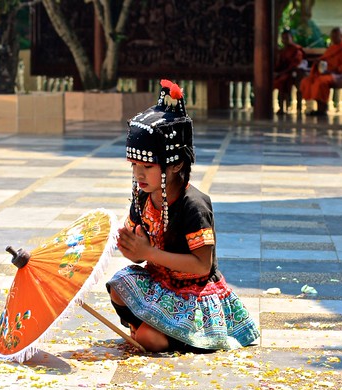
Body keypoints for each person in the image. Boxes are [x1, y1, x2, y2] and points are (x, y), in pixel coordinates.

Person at [106, 79, 260, 353]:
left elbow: (202, 266)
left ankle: (161, 332)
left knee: (149, 341)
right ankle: (148, 328)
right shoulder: (143, 198)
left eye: (148, 166)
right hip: (161, 282)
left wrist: (148, 253)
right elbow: (139, 255)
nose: (138, 174)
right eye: (134, 166)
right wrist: (130, 248)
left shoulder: (194, 206)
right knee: (118, 284)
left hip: (194, 293)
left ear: (176, 164)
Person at [299, 27, 342, 116]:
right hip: (328, 73)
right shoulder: (332, 47)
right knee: (307, 80)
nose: (333, 38)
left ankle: (322, 108)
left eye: (336, 36)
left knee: (321, 81)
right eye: (332, 37)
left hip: (341, 74)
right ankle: (310, 106)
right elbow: (325, 60)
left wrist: (331, 71)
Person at [274, 28, 305, 115]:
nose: (285, 40)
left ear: (292, 38)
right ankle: (281, 107)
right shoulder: (283, 51)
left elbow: (295, 64)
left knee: (283, 81)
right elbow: (279, 64)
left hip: (293, 73)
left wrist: (281, 73)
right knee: (278, 81)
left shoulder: (296, 50)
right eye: (283, 38)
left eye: (287, 38)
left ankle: (298, 107)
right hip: (284, 72)